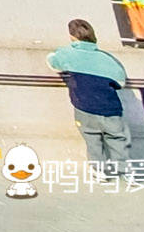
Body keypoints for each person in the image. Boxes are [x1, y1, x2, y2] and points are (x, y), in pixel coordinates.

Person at [47, 18, 131, 178]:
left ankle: (99, 171)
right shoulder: (108, 58)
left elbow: (52, 62)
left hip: (84, 105)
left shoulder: (67, 54)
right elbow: (120, 82)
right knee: (117, 138)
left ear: (72, 36)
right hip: (110, 106)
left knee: (92, 138)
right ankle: (125, 170)